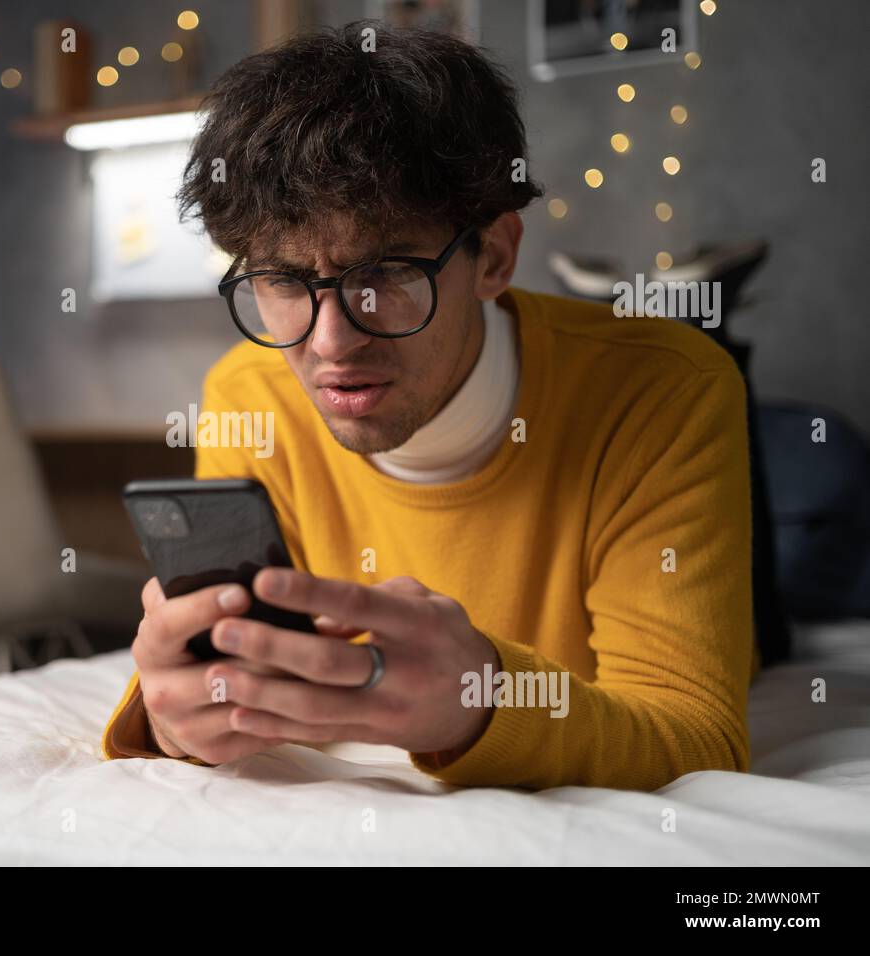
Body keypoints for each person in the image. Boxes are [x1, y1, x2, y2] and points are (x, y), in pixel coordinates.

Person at [102, 23, 753, 791]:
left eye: (384, 275)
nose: (332, 343)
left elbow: (696, 735)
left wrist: (481, 703)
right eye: (281, 281)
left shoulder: (669, 388)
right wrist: (175, 718)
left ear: (496, 256)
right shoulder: (246, 394)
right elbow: (223, 672)